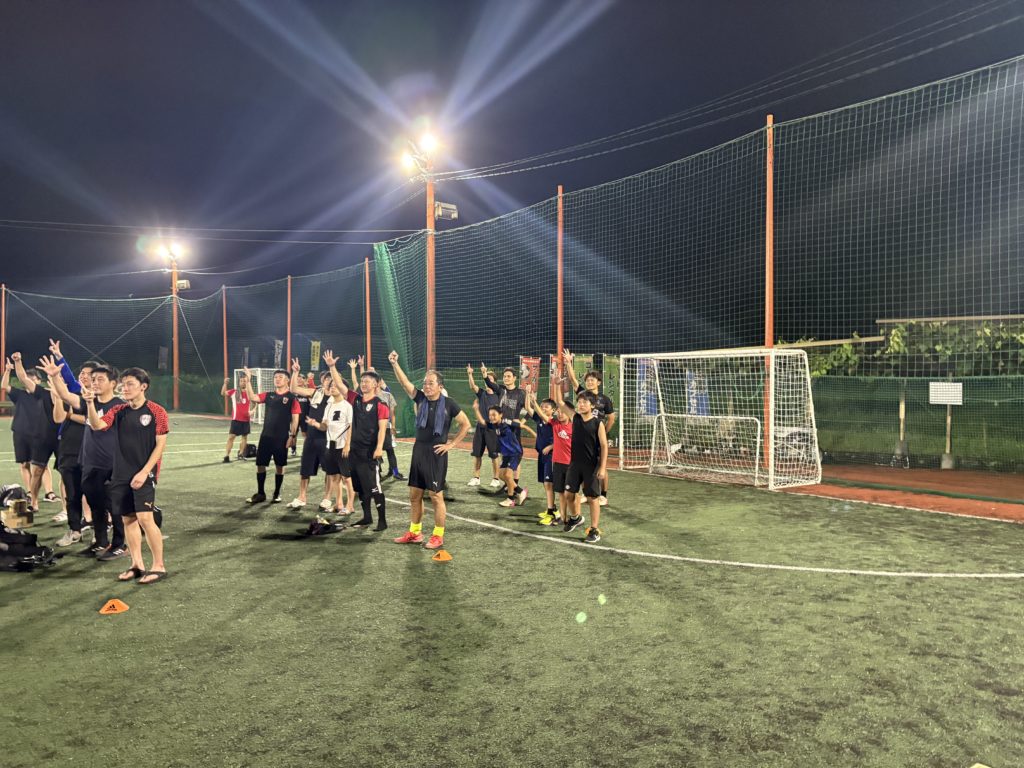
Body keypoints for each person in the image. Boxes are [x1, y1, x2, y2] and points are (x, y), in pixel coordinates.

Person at [84, 367, 169, 584]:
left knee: (145, 519)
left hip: (145, 474)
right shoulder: (118, 410)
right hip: (121, 474)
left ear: (143, 386)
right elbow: (97, 425)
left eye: (130, 383)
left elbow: (160, 446)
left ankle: (159, 566)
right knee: (128, 519)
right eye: (123, 384)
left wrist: (145, 472)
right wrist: (90, 403)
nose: (125, 388)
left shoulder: (157, 411)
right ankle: (137, 565)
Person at [388, 351, 470, 550]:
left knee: (435, 496)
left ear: (440, 386)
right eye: (425, 383)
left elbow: (466, 424)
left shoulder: (449, 404)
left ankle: (438, 535)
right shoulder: (420, 399)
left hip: (436, 454)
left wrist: (451, 445)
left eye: (430, 383)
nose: (426, 386)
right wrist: (395, 364)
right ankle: (415, 533)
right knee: (414, 496)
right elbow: (404, 383)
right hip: (419, 451)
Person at [46, 358, 127, 558]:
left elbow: (102, 427)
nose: (95, 382)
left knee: (114, 507)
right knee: (95, 505)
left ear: (113, 383)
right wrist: (55, 376)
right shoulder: (88, 400)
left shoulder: (120, 406)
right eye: (94, 379)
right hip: (89, 463)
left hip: (112, 465)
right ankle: (100, 542)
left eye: (100, 379)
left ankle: (120, 544)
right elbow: (65, 395)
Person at [331, 352, 390, 531]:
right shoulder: (355, 399)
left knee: (374, 487)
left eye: (368, 381)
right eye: (362, 381)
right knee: (360, 487)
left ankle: (382, 521)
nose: (364, 383)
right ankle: (367, 517)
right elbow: (340, 386)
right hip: (354, 452)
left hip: (369, 452)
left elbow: (382, 429)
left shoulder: (381, 404)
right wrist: (332, 367)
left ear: (376, 384)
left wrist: (379, 448)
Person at [553, 386, 608, 543]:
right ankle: (576, 517)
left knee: (592, 498)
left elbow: (604, 446)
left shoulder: (598, 423)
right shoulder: (575, 418)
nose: (581, 405)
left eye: (585, 402)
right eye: (580, 402)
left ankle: (594, 529)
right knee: (569, 494)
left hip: (591, 466)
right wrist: (557, 385)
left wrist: (602, 467)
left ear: (592, 405)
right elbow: (559, 402)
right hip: (574, 464)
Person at [564, 348, 616, 506]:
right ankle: (587, 492)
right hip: (583, 436)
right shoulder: (583, 395)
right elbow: (573, 380)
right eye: (587, 380)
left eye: (592, 380)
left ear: (598, 382)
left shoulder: (605, 399)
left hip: (597, 435)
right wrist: (568, 363)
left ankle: (603, 495)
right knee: (583, 464)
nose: (589, 382)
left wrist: (603, 432)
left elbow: (611, 418)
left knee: (600, 465)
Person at [287, 361, 340, 512]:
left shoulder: (338, 397)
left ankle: (327, 498)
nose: (329, 381)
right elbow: (293, 389)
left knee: (329, 470)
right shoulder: (315, 392)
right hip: (311, 437)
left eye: (332, 379)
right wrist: (295, 372)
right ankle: (302, 497)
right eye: (327, 379)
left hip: (328, 438)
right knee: (305, 469)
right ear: (323, 380)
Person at [243, 367, 300, 504]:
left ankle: (276, 493)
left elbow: (295, 419)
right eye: (276, 377)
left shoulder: (292, 398)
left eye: (280, 377)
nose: (277, 379)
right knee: (260, 464)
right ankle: (261, 493)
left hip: (282, 437)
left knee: (280, 465)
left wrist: (292, 436)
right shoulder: (268, 395)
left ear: (287, 380)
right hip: (266, 436)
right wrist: (249, 381)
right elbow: (253, 397)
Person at [484, 406, 532, 508]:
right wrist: (476, 410)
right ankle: (520, 491)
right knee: (501, 475)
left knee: (508, 475)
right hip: (506, 454)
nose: (491, 417)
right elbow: (483, 422)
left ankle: (510, 499)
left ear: (500, 415)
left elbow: (523, 426)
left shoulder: (506, 422)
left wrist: (536, 435)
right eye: (490, 415)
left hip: (514, 453)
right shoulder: (494, 425)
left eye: (494, 415)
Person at [524, 385, 559, 521]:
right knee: (546, 483)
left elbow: (562, 440)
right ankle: (552, 508)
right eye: (542, 406)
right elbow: (527, 408)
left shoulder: (554, 422)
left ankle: (551, 513)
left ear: (553, 410)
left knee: (549, 484)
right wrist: (527, 394)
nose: (543, 408)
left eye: (546, 407)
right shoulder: (539, 420)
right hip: (542, 456)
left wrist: (551, 446)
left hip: (551, 456)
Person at [466, 364, 502, 488]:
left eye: (490, 380)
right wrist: (470, 374)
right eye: (486, 380)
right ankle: (476, 477)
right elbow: (472, 386)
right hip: (480, 428)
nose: (487, 383)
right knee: (477, 454)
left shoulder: (498, 394)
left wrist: (485, 373)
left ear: (494, 382)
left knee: (494, 455)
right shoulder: (482, 393)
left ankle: (496, 479)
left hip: (493, 429)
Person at [220, 373, 251, 462]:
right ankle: (226, 456)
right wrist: (225, 383)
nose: (243, 382)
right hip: (236, 419)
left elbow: (255, 402)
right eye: (241, 381)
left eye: (244, 381)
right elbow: (223, 393)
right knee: (231, 437)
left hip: (246, 420)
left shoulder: (250, 393)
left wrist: (253, 411)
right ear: (239, 382)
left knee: (244, 437)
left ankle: (241, 454)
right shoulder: (234, 392)